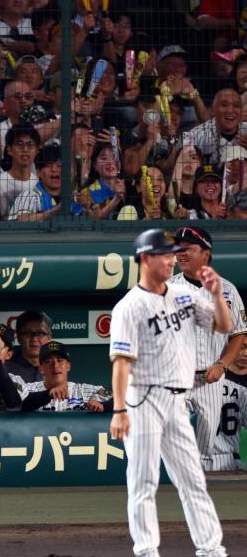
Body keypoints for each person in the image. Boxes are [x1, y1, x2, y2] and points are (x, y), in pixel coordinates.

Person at [109, 228, 232, 557]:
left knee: (193, 480)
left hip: (177, 400)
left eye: (173, 253)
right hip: (144, 399)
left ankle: (211, 550)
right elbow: (121, 363)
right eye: (165, 254)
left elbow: (222, 326)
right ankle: (146, 551)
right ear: (146, 259)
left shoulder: (183, 295)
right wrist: (120, 410)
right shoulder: (129, 307)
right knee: (143, 482)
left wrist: (217, 294)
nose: (172, 258)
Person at [167, 227, 247, 471]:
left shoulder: (227, 290)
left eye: (187, 248)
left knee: (205, 449)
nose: (180, 253)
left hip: (210, 380)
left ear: (205, 253)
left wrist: (222, 366)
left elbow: (238, 334)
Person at [21, 341, 112, 412]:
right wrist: (47, 395)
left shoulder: (85, 391)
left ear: (68, 366)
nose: (55, 366)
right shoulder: (27, 390)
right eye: (48, 362)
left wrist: (104, 406)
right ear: (41, 369)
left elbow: (121, 401)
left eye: (59, 360)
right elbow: (14, 404)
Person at [207, 342, 247, 471]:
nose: (245, 353)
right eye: (242, 346)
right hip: (229, 461)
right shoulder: (241, 390)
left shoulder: (203, 378)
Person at [5, 310, 51, 382]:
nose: (34, 339)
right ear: (19, 337)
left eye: (40, 333)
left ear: (49, 338)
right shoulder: (4, 370)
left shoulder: (56, 367)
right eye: (28, 333)